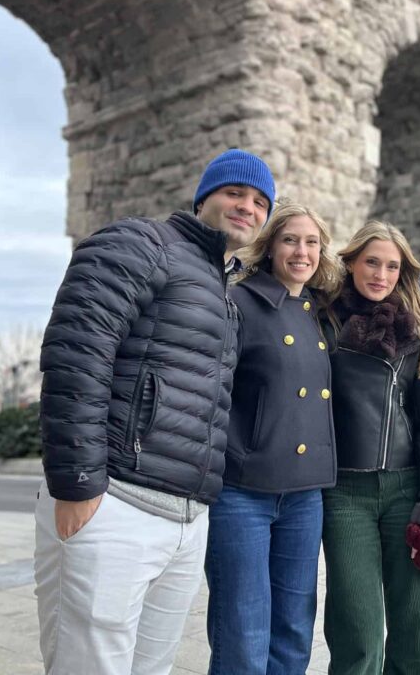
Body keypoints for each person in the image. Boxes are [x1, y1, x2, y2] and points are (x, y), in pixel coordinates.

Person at [33, 148, 276, 675]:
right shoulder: (141, 243)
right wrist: (77, 484)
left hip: (186, 519)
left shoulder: (224, 292)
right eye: (234, 192)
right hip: (116, 502)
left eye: (260, 202)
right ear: (203, 196)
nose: (247, 207)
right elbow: (77, 353)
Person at [205, 203, 341, 674]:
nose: (301, 251)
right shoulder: (239, 302)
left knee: (293, 628)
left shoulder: (321, 313)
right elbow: (211, 389)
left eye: (311, 242)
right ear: (269, 246)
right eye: (290, 240)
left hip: (305, 493)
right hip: (243, 490)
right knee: (243, 628)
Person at [321, 221, 420, 675]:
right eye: (372, 262)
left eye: (392, 266)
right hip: (344, 492)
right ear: (352, 262)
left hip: (406, 488)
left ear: (404, 272)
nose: (380, 274)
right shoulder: (324, 318)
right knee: (355, 626)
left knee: (417, 629)